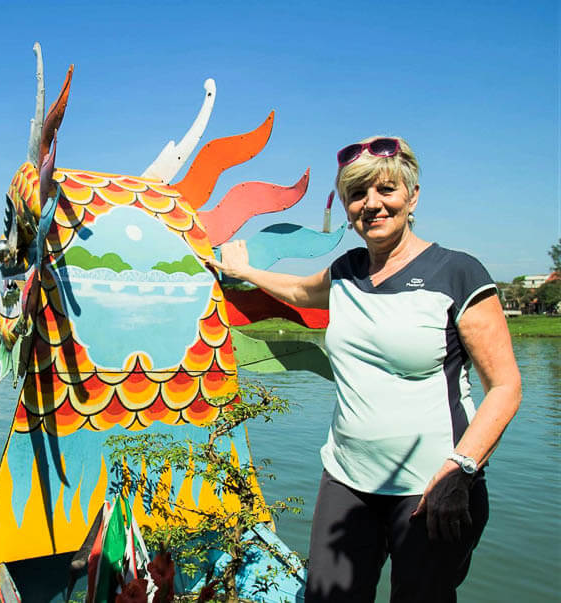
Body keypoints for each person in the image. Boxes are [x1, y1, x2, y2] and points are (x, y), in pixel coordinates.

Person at [203, 136, 522, 602]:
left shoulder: (457, 273)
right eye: (357, 194)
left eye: (386, 190)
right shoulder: (346, 271)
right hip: (347, 480)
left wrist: (462, 469)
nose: (371, 204)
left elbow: (506, 386)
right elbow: (300, 290)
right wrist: (244, 270)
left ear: (412, 197)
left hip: (432, 487)